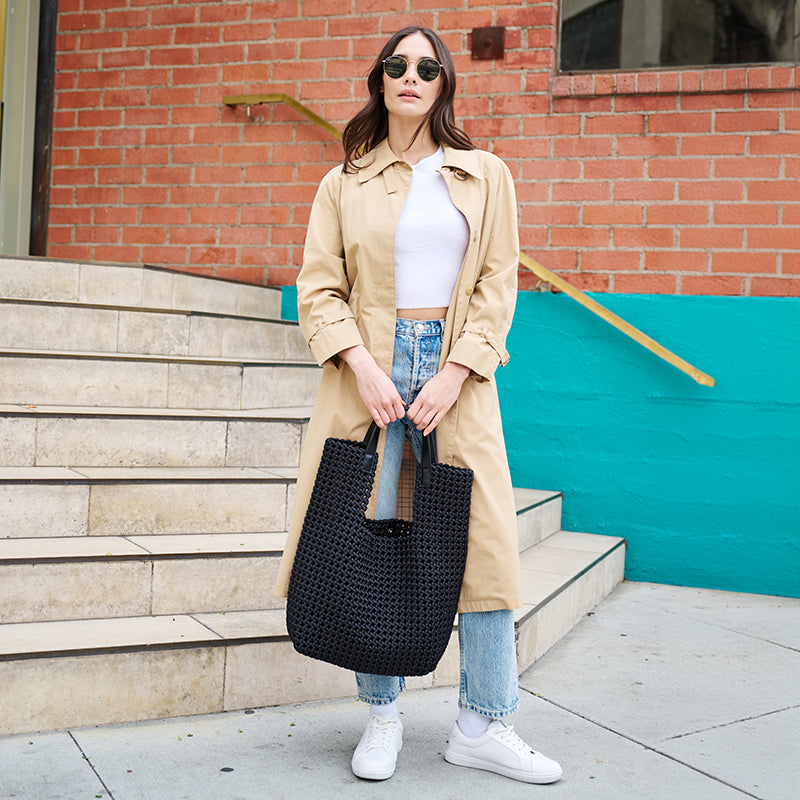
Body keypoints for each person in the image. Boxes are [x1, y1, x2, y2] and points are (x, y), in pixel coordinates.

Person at [274, 26, 562, 785]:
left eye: (427, 67)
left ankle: (485, 722)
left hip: (455, 379)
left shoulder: (484, 174)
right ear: (379, 79)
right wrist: (363, 366)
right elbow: (318, 287)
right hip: (367, 374)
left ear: (444, 85)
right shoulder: (344, 182)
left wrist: (454, 371)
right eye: (397, 65)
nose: (411, 76)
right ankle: (382, 716)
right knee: (373, 539)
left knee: (487, 550)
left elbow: (499, 285)